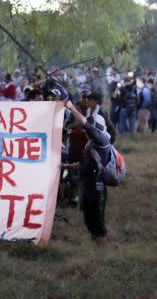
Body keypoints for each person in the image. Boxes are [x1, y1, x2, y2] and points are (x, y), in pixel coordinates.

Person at [63, 99, 113, 246]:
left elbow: (85, 123)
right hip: (87, 188)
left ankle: (102, 253)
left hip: (97, 189)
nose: (86, 129)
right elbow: (81, 165)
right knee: (89, 222)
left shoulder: (101, 140)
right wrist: (65, 166)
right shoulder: (90, 143)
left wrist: (71, 107)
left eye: (90, 127)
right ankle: (95, 250)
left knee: (98, 224)